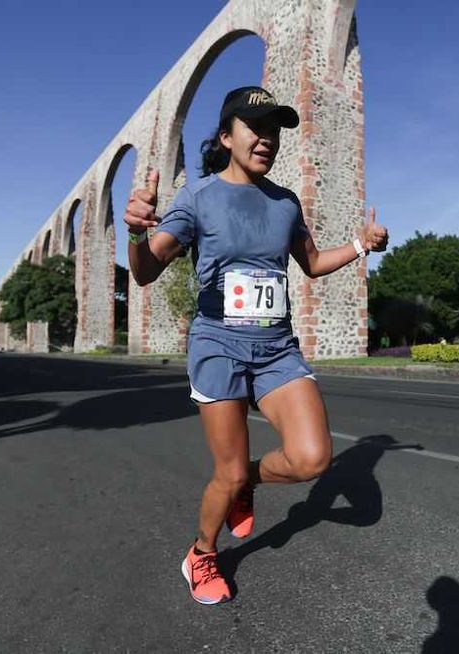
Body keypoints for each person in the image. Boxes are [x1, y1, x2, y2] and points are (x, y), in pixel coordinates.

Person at [124, 86, 388, 605]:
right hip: (218, 345)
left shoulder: (285, 202)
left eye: (274, 130)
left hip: (276, 349)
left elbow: (312, 263)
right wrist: (135, 233)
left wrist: (361, 244)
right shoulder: (198, 197)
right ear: (227, 136)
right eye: (255, 127)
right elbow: (145, 272)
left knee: (312, 459)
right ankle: (202, 553)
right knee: (223, 472)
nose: (267, 138)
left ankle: (245, 481)